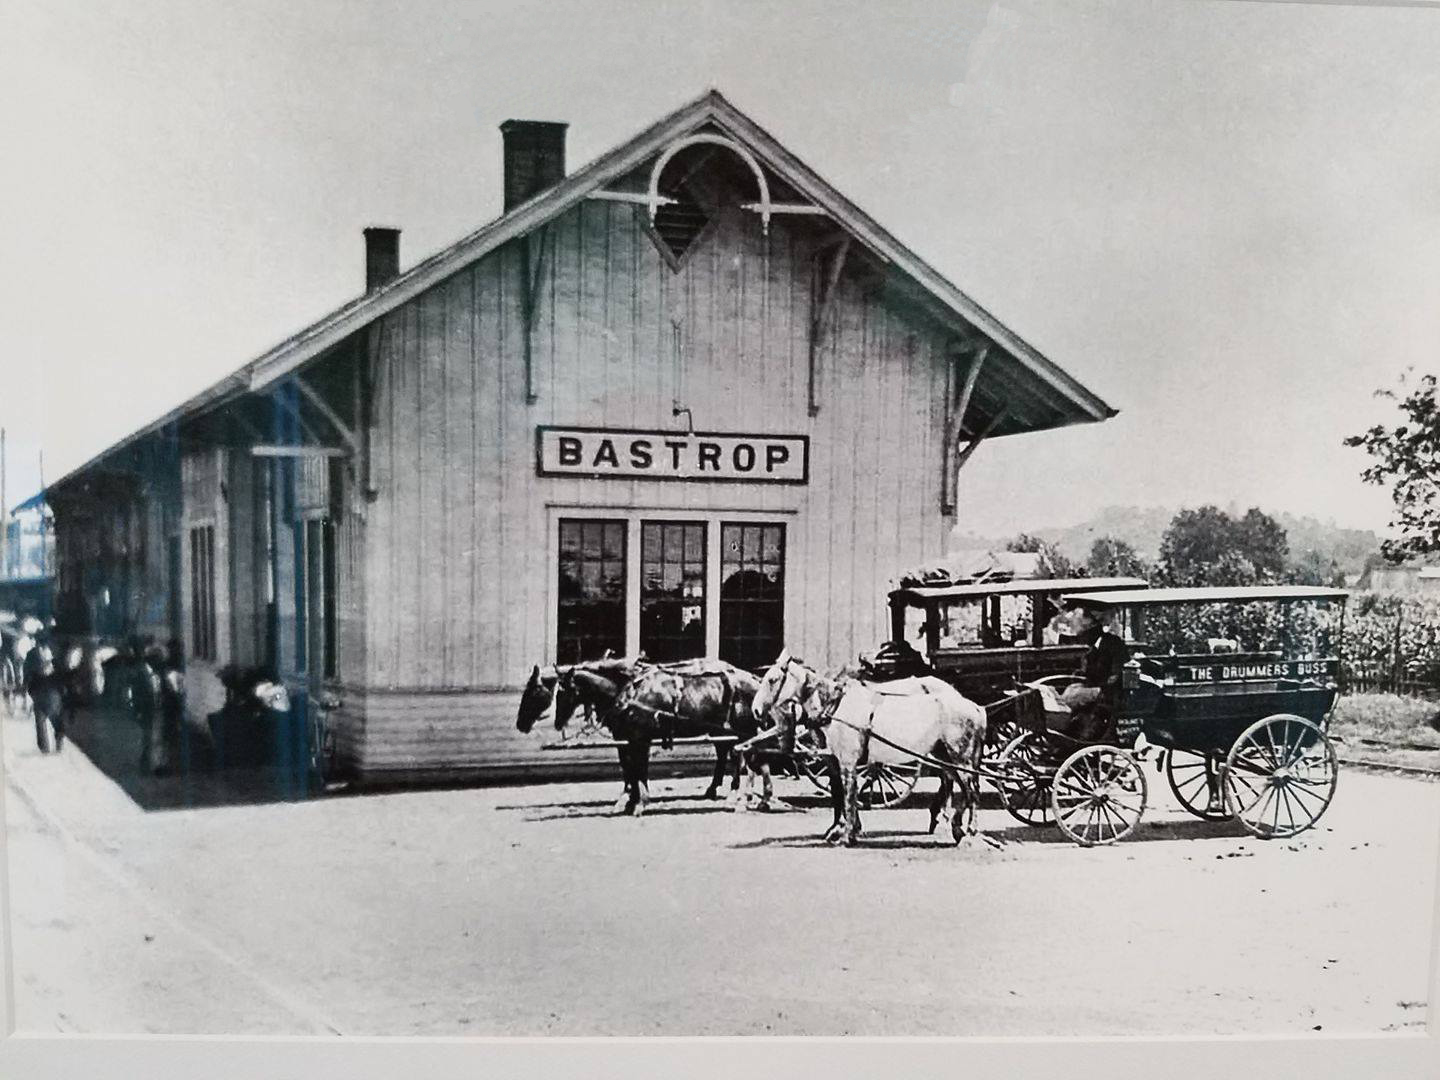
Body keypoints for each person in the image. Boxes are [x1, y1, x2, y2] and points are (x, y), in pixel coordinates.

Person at [1058, 603, 1130, 742]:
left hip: (1109, 692)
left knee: (1075, 696)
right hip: (1097, 687)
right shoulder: (1094, 647)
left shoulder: (1113, 644)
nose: (1080, 636)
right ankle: (1067, 730)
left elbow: (1117, 672)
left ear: (1092, 628)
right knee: (1070, 691)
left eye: (1083, 631)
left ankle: (1076, 735)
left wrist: (1101, 688)